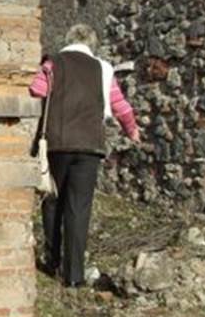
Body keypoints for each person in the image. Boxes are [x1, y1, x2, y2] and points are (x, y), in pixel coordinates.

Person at [29, 23, 140, 287]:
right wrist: (132, 131)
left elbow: (36, 91)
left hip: (57, 143)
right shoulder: (103, 68)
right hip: (90, 146)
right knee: (78, 209)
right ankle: (74, 276)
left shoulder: (52, 63)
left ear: (67, 40)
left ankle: (52, 260)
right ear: (91, 44)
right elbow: (120, 106)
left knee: (53, 201)